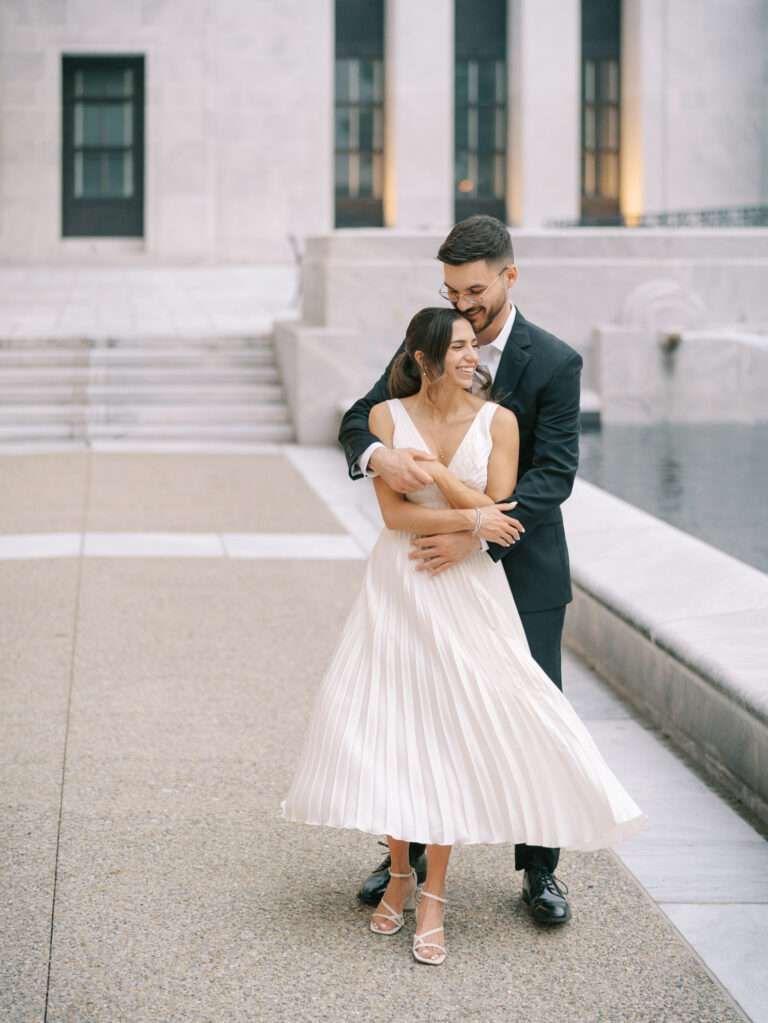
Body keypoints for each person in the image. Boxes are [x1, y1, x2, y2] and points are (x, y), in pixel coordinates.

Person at [280, 304, 648, 966]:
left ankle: (438, 896)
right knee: (392, 728)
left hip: (469, 589)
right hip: (397, 586)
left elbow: (503, 508)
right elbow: (393, 513)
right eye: (456, 345)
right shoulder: (388, 419)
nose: (471, 352)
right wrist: (453, 502)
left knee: (453, 731)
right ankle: (397, 871)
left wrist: (453, 506)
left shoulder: (502, 421)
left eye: (472, 342)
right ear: (423, 358)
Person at [338, 215, 590, 926]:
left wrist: (476, 536)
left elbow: (554, 477)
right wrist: (378, 456)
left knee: (535, 714)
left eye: (475, 291)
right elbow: (362, 416)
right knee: (421, 705)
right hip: (435, 567)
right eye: (451, 290)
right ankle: (405, 855)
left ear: (511, 276)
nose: (465, 307)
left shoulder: (557, 362)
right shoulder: (434, 337)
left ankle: (539, 870)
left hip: (524, 566)